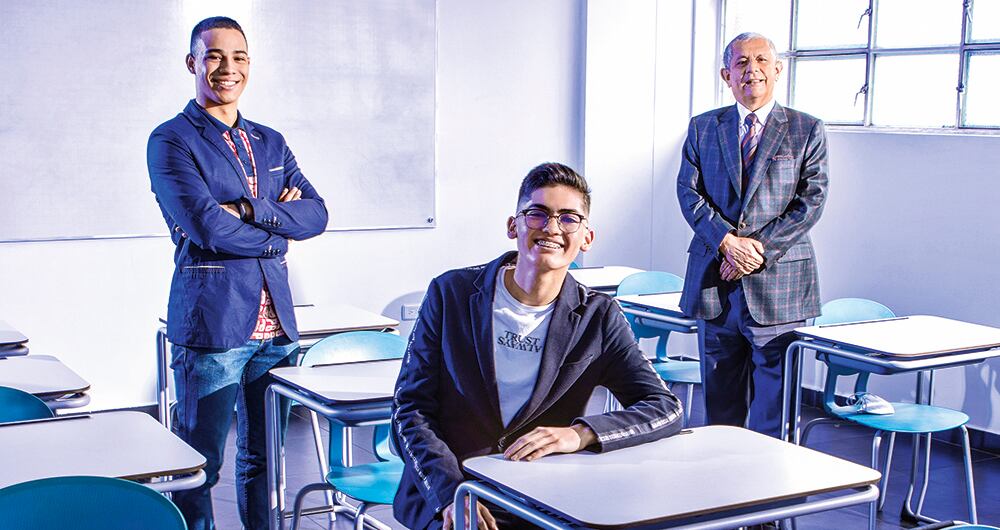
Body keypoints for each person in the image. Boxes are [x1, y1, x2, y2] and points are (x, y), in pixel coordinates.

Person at [392, 162, 684, 530]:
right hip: (454, 494)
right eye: (537, 214)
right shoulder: (451, 293)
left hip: (543, 497)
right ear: (513, 225)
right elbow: (410, 408)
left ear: (587, 237)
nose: (551, 228)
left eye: (568, 218)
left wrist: (580, 433)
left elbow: (665, 407)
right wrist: (450, 493)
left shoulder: (599, 316)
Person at [147, 16, 328, 530]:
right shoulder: (171, 140)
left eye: (239, 56)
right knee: (200, 466)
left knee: (265, 459)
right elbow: (206, 227)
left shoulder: (270, 141)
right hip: (214, 326)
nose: (228, 68)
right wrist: (278, 231)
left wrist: (248, 211)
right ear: (192, 63)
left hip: (276, 328)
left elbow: (317, 214)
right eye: (214, 56)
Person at [676, 32, 828, 439]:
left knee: (774, 408)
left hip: (780, 288)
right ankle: (720, 489)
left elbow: (810, 202)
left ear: (777, 70)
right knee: (720, 404)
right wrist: (727, 242)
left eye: (762, 60)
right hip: (715, 283)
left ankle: (769, 492)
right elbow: (688, 192)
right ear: (727, 74)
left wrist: (756, 251)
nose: (752, 70)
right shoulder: (704, 127)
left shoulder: (805, 129)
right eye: (741, 63)